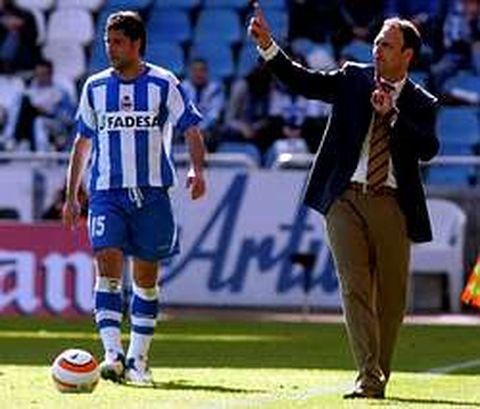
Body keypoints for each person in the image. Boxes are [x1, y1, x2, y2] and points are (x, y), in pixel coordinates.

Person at [249, 1, 439, 399]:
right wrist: (268, 46)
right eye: (377, 42)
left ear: (407, 55)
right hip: (344, 198)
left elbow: (427, 148)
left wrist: (392, 115)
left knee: (391, 299)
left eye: (387, 45)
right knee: (354, 287)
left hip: (392, 203)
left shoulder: (422, 102)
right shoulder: (353, 78)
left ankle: (379, 372)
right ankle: (368, 378)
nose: (377, 49)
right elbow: (303, 81)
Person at [62, 11, 206, 385]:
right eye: (107, 42)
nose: (110, 49)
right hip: (107, 193)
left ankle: (138, 360)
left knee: (145, 279)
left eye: (118, 42)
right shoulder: (94, 86)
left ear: (136, 43)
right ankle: (112, 355)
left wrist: (197, 169)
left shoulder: (163, 82)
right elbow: (82, 141)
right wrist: (72, 194)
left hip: (152, 195)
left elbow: (191, 128)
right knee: (106, 267)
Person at [182, 58, 224, 151]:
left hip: (207, 129)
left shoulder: (215, 89)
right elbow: (181, 112)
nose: (198, 74)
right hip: (186, 128)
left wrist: (200, 128)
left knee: (214, 130)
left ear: (207, 72)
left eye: (202, 70)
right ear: (190, 72)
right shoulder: (183, 88)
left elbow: (214, 114)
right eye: (195, 70)